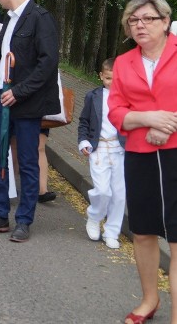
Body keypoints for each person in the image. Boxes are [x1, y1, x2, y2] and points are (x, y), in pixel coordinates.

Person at [107, 0, 177, 324]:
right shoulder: (123, 62)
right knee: (144, 231)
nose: (140, 25)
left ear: (165, 21)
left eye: (148, 19)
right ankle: (150, 300)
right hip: (140, 152)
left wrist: (168, 123)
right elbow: (116, 111)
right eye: (133, 20)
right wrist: (150, 119)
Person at [0, 0, 60, 243]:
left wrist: (19, 92)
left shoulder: (40, 18)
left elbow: (47, 64)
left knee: (26, 161)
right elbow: (3, 60)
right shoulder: (9, 21)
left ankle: (24, 220)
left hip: (26, 102)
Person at [77, 57, 125, 249]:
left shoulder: (127, 98)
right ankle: (94, 217)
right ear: (101, 76)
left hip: (120, 151)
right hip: (99, 149)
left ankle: (112, 231)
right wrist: (83, 141)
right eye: (108, 78)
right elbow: (84, 121)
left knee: (119, 194)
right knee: (103, 190)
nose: (111, 83)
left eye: (116, 79)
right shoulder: (93, 96)